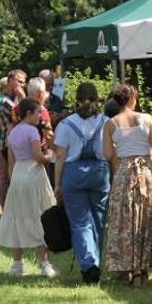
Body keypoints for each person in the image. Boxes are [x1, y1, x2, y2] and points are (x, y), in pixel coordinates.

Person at [103, 84, 152, 287]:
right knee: (145, 219)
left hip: (124, 173)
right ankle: (142, 268)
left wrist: (120, 163)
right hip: (145, 173)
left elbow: (107, 154)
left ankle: (127, 268)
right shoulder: (146, 119)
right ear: (132, 99)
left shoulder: (110, 124)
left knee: (125, 221)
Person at [0, 98, 59, 278]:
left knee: (18, 217)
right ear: (28, 113)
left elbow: (11, 162)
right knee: (40, 216)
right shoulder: (31, 131)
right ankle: (45, 264)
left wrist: (13, 179)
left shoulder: (12, 132)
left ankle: (17, 264)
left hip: (18, 174)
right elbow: (38, 157)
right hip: (33, 174)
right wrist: (51, 155)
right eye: (38, 112)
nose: (40, 115)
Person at [53, 82, 110, 284]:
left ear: (76, 100)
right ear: (97, 100)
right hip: (100, 173)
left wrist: (57, 184)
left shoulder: (66, 124)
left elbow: (60, 156)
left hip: (73, 173)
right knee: (98, 220)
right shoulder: (106, 122)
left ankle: (89, 265)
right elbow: (112, 152)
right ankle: (96, 260)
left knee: (79, 223)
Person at [0, 70, 27, 207]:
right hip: (9, 145)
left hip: (20, 143)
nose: (22, 85)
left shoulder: (17, 100)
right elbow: (23, 117)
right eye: (19, 81)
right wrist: (24, 99)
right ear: (10, 80)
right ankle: (10, 208)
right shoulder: (4, 101)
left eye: (24, 82)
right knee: (13, 177)